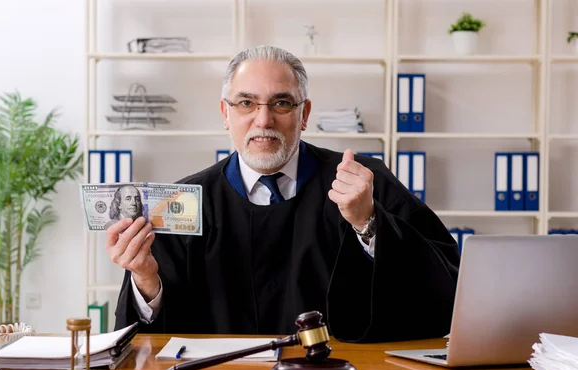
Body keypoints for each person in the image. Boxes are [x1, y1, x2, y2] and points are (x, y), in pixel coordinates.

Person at [107, 45, 460, 342]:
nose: (263, 120)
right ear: (225, 114)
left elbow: (446, 289)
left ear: (304, 114)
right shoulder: (181, 204)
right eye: (246, 103)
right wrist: (146, 281)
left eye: (281, 103)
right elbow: (145, 343)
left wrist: (368, 224)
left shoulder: (364, 182)